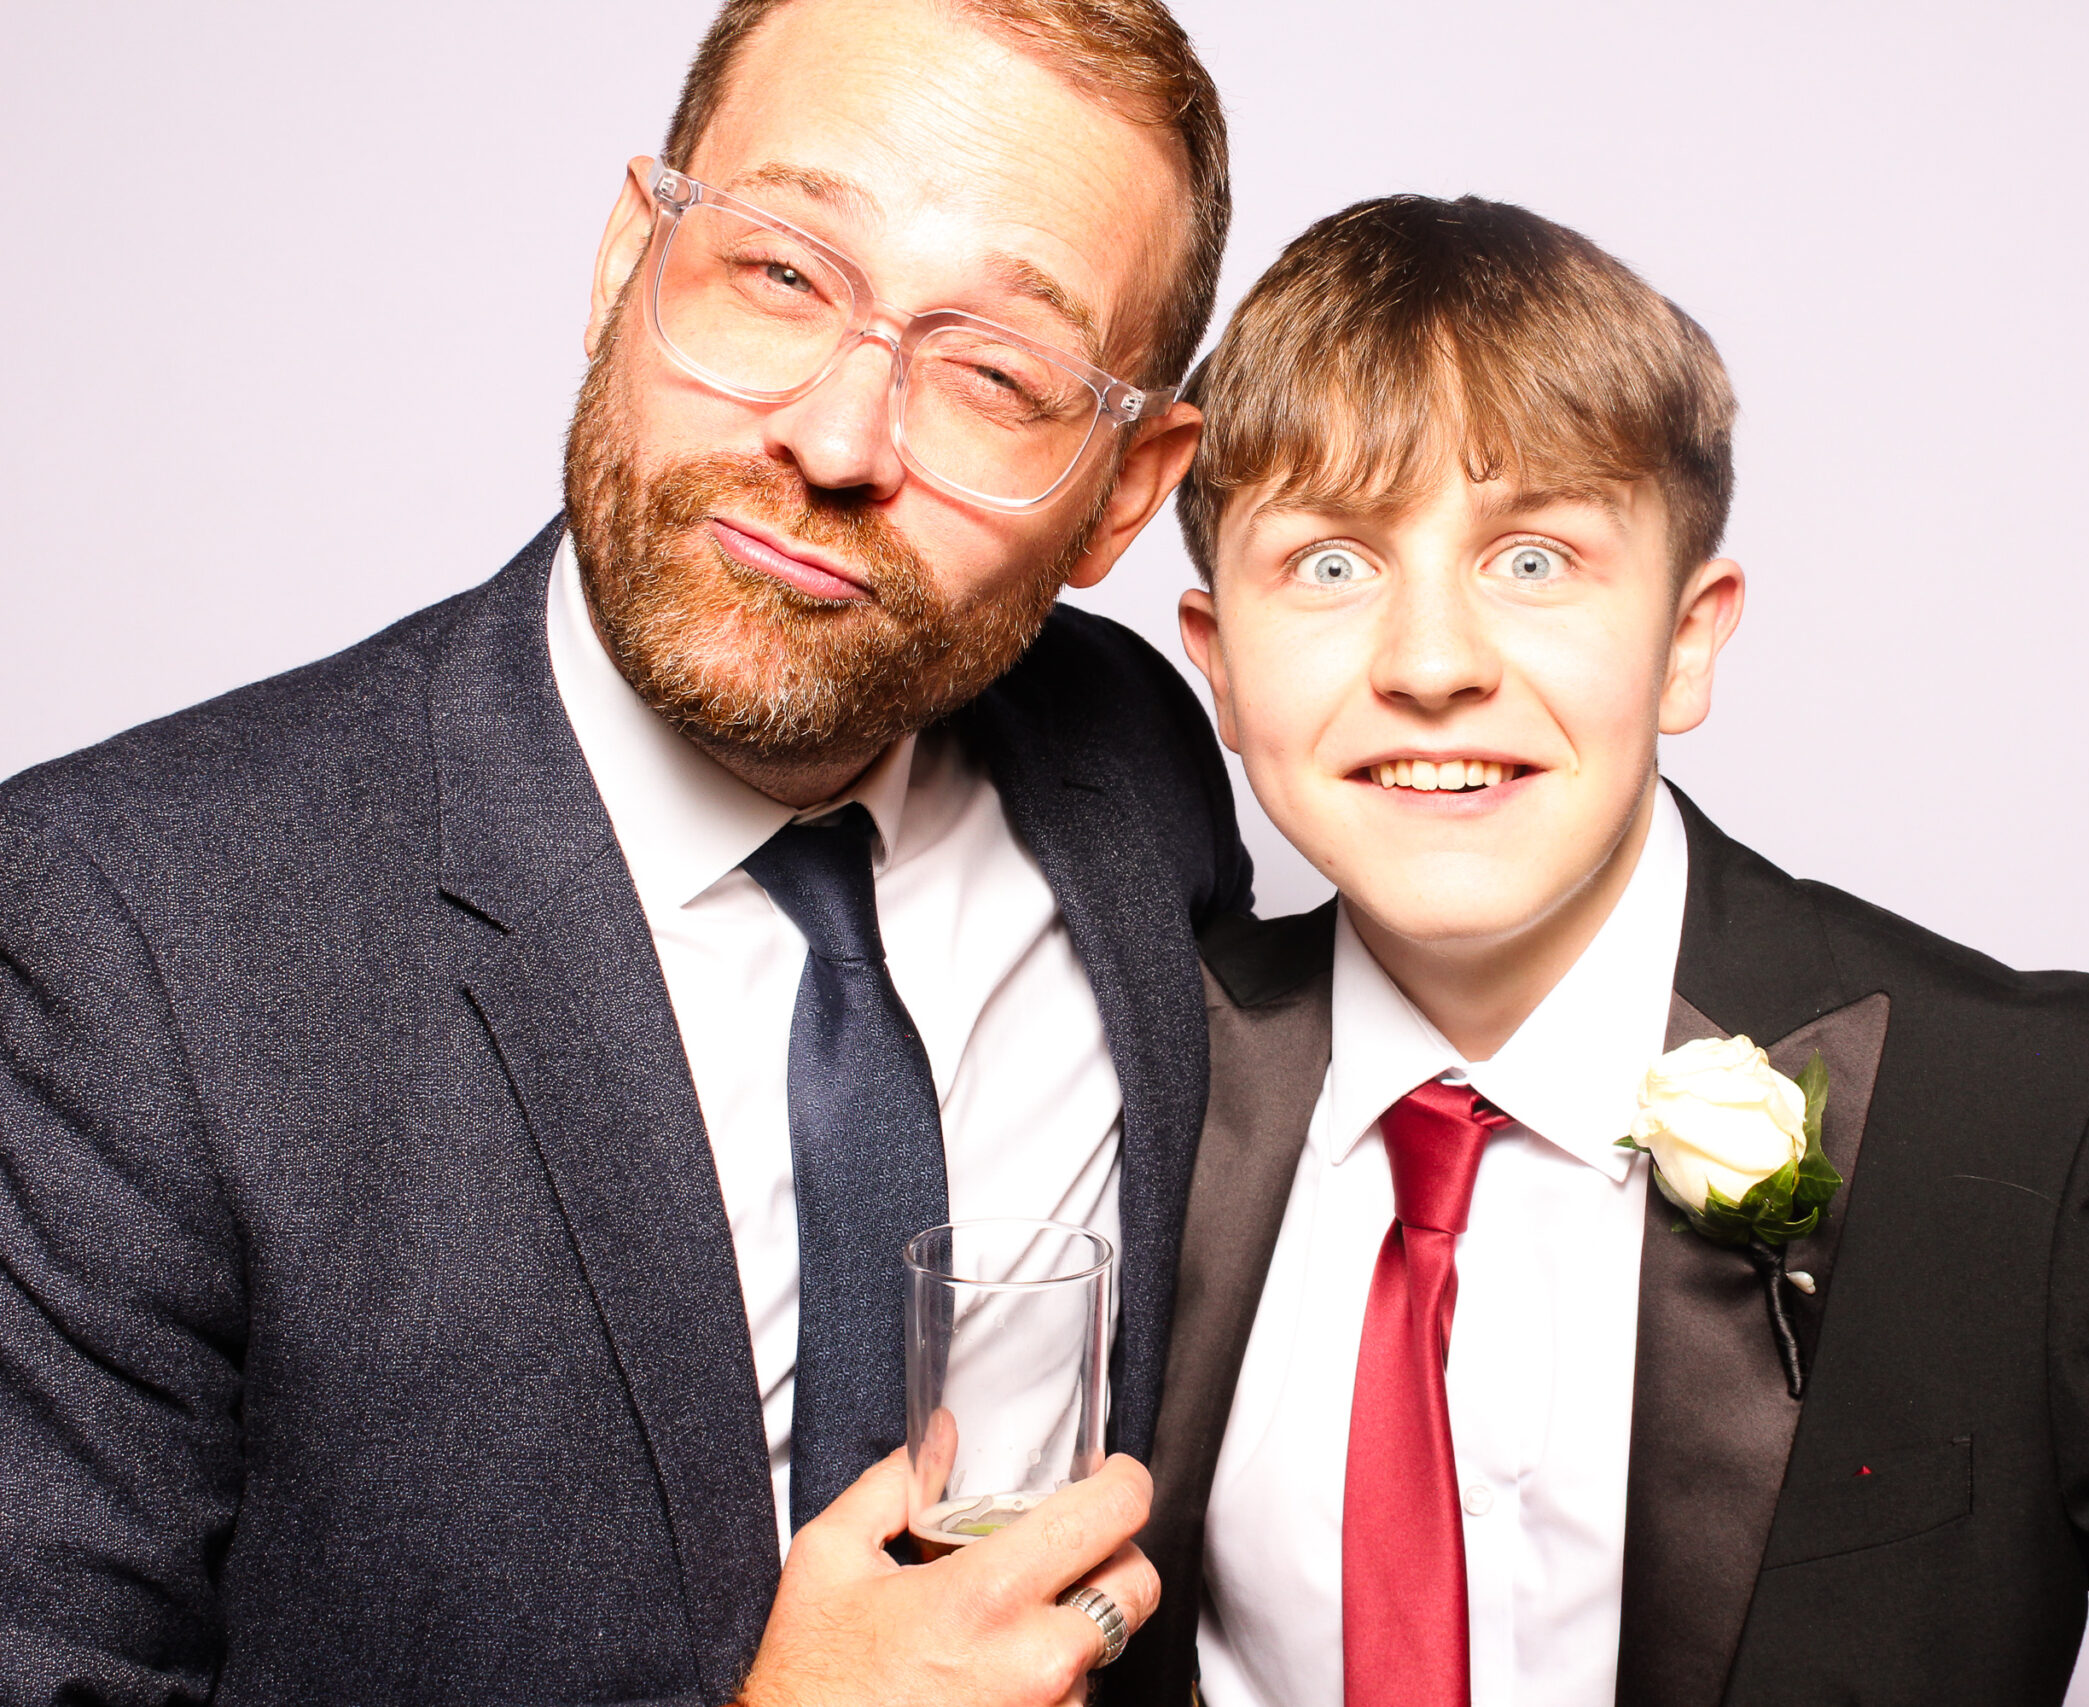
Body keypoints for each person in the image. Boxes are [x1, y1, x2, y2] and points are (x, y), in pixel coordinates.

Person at [1120, 195, 2089, 1706]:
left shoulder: (2023, 1121)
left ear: (1689, 639)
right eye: (1331, 567)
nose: (1431, 664)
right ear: (1218, 663)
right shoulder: (1124, 1084)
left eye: (1534, 561)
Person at [0, 0, 1249, 1701]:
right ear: (624, 262)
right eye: (781, 273)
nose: (835, 442)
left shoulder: (1141, 770)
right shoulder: (118, 938)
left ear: (1126, 489)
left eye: (998, 376)